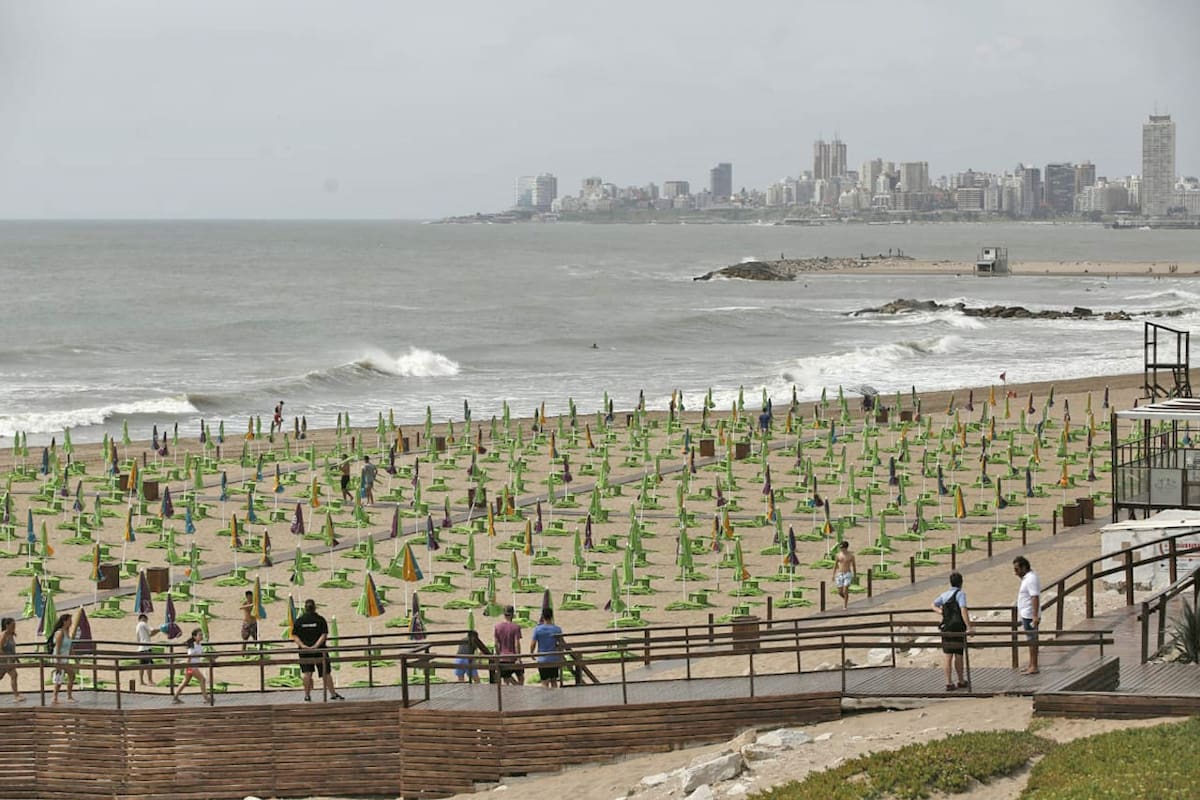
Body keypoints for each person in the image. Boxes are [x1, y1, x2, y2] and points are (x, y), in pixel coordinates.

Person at [292, 599, 344, 701]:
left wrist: (302, 645)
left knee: (307, 673)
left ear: (305, 608)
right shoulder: (320, 619)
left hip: (305, 651)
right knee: (326, 673)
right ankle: (333, 694)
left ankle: (307, 695)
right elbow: (323, 635)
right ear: (315, 607)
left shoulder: (300, 620)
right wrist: (316, 645)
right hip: (320, 651)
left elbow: (294, 635)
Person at [932, 572, 972, 691]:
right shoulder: (960, 594)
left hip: (946, 627)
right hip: (958, 627)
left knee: (947, 655)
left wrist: (942, 613)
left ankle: (948, 682)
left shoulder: (944, 595)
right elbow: (963, 610)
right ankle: (960, 680)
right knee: (958, 654)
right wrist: (969, 626)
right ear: (961, 582)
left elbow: (933, 604)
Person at [1013, 555, 1041, 674]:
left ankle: (1034, 666)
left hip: (1029, 615)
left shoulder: (1030, 579)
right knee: (1030, 640)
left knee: (1032, 640)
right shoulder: (1028, 578)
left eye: (1017, 569)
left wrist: (1034, 616)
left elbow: (1034, 597)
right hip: (1026, 614)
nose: (1016, 573)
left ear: (1024, 567)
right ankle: (1031, 664)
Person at [172, 628, 211, 704]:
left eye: (201, 634)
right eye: (200, 635)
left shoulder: (199, 645)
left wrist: (209, 659)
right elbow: (189, 656)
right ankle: (206, 698)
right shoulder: (193, 645)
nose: (201, 636)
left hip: (191, 667)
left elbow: (202, 654)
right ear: (194, 636)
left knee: (185, 681)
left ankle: (175, 697)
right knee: (202, 679)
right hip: (192, 666)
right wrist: (188, 666)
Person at [529, 609, 564, 689]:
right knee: (554, 681)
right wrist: (561, 655)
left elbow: (533, 644)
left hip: (542, 658)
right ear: (551, 616)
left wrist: (532, 653)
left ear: (542, 616)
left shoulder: (538, 629)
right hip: (554, 658)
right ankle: (555, 700)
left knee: (544, 681)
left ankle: (545, 700)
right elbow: (561, 644)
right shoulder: (557, 629)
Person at [49, 612, 79, 704]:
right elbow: (57, 648)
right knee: (60, 678)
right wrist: (57, 662)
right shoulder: (60, 633)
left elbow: (69, 647)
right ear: (64, 621)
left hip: (65, 658)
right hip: (59, 658)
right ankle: (56, 697)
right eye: (69, 620)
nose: (71, 622)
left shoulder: (67, 633)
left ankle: (65, 696)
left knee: (69, 676)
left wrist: (75, 658)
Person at [493, 605, 523, 686]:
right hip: (513, 656)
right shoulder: (516, 627)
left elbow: (496, 644)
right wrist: (518, 657)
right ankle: (517, 688)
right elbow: (517, 643)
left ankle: (514, 689)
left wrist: (498, 655)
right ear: (512, 614)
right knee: (521, 678)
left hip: (503, 657)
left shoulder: (497, 627)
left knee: (506, 680)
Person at [0, 617, 24, 702]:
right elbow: (0, 648)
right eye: (12, 625)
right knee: (12, 675)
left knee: (14, 675)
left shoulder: (11, 635)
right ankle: (16, 695)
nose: (14, 627)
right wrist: (6, 658)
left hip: (10, 661)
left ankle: (16, 695)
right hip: (3, 661)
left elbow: (13, 649)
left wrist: (16, 659)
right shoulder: (4, 635)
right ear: (7, 625)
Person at [135, 613, 160, 686]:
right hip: (146, 647)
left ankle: (141, 681)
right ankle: (150, 680)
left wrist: (158, 631)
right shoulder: (143, 623)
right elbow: (152, 630)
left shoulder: (138, 626)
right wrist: (161, 628)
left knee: (142, 665)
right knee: (149, 665)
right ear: (144, 618)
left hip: (140, 647)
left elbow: (150, 634)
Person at [832, 541, 857, 610]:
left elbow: (854, 566)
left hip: (847, 573)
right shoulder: (838, 555)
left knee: (845, 590)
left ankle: (845, 605)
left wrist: (855, 575)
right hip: (840, 573)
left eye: (842, 548)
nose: (841, 549)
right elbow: (835, 565)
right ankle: (846, 598)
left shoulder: (851, 556)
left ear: (846, 548)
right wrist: (833, 575)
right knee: (840, 592)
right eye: (840, 548)